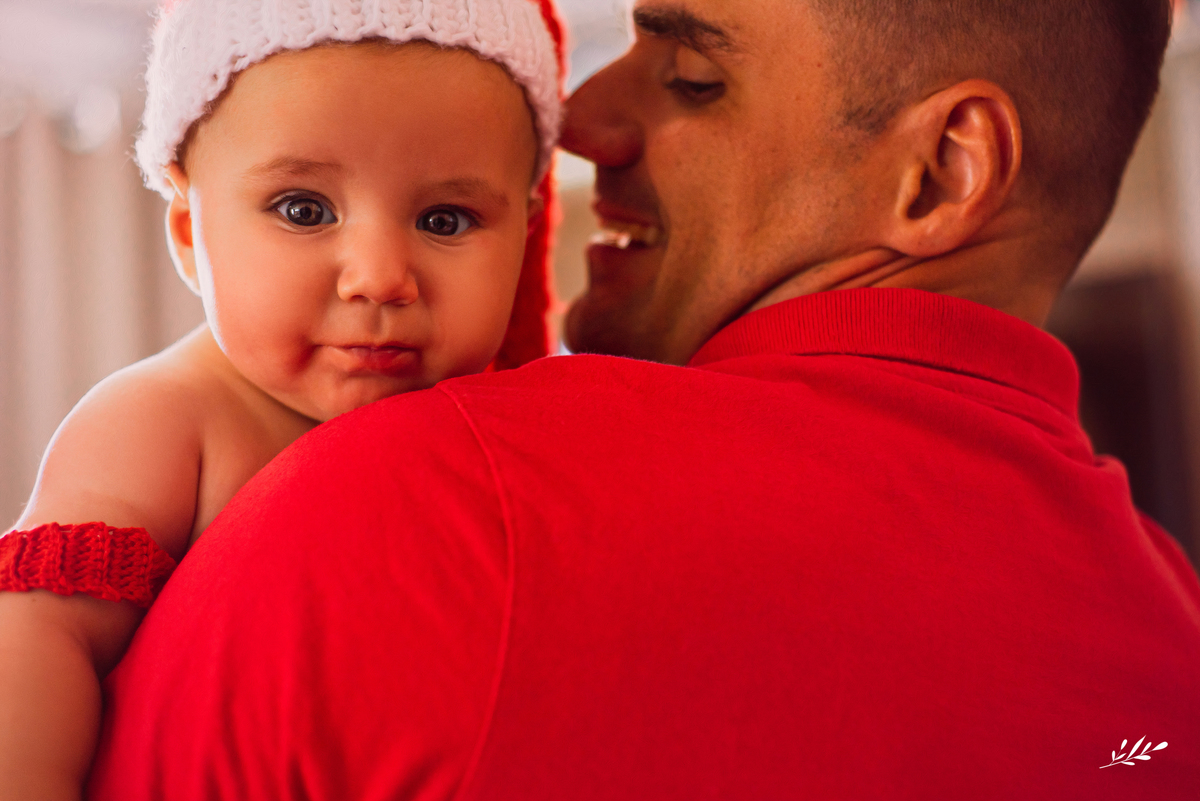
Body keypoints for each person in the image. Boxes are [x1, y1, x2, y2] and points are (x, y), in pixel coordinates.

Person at [82, 0, 1199, 798]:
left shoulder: (435, 505)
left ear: (943, 171)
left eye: (692, 76)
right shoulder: (1171, 657)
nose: (574, 121)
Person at [0, 0, 566, 797]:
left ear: (525, 227)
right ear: (191, 232)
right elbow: (37, 634)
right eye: (304, 209)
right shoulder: (166, 422)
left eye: (446, 218)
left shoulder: (510, 419)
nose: (378, 275)